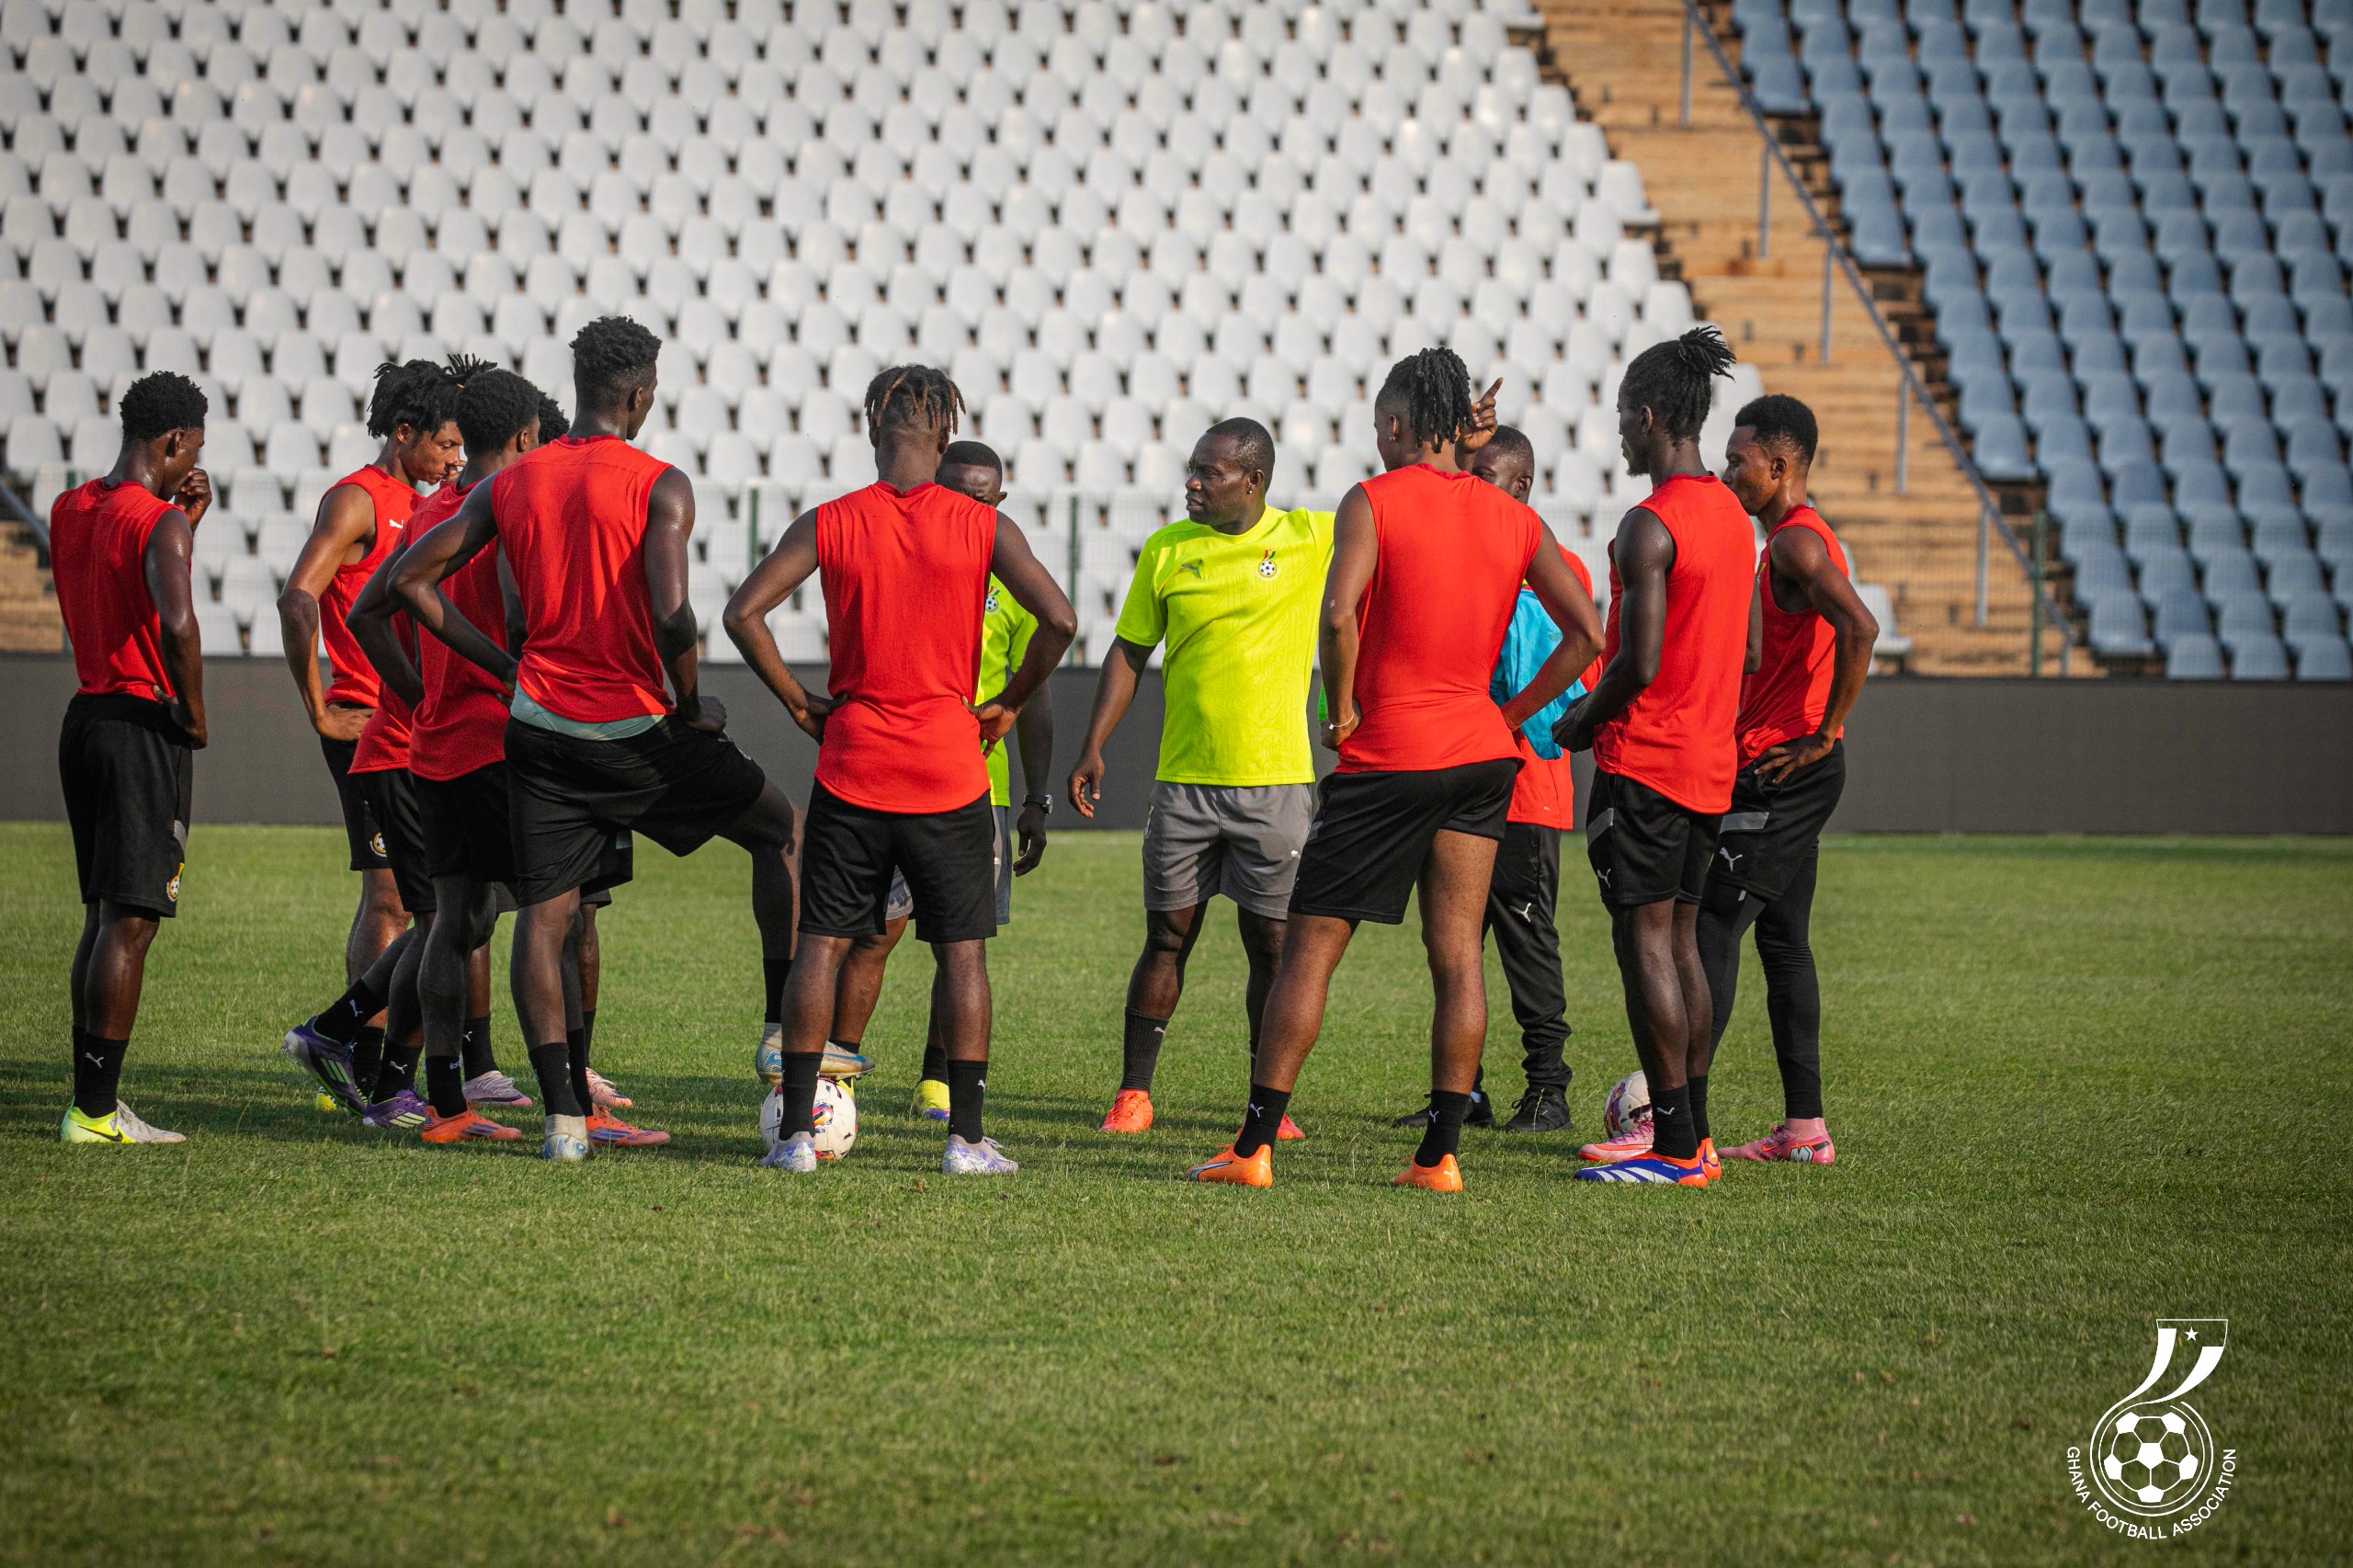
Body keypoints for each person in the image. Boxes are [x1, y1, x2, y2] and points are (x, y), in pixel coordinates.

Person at [1187, 349, 1601, 1192]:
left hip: (1390, 755)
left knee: (1309, 951)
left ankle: (1254, 1147)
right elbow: (1588, 635)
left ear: (1402, 426)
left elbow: (1339, 613)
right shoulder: (1513, 517)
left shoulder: (1373, 499)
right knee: (1457, 958)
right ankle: (1439, 1158)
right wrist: (1511, 718)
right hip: (1481, 759)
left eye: (1382, 426)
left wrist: (1339, 709)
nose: (1377, 441)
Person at [392, 315, 800, 1164]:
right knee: (779, 829)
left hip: (540, 732)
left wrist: (506, 667)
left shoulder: (513, 482)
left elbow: (409, 581)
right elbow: (673, 612)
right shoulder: (661, 483)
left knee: (542, 920)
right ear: (641, 394)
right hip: (640, 731)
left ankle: (564, 1122)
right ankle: (778, 1029)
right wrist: (690, 705)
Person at [723, 365, 1075, 1176]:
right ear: (945, 436)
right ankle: (966, 1140)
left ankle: (796, 1141)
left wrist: (798, 704)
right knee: (962, 954)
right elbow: (1060, 618)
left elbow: (743, 612)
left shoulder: (834, 520)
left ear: (871, 428)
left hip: (853, 764)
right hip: (950, 771)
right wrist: (1009, 704)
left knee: (821, 944)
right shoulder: (982, 525)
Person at [1068, 418, 1331, 1137]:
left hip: (1276, 784)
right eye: (1191, 469)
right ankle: (1134, 1094)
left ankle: (1265, 1106)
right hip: (1184, 784)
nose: (1191, 483)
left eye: (1207, 474)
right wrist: (1094, 745)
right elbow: (1128, 653)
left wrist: (1461, 451)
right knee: (1167, 938)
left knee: (1272, 945)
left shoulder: (1311, 539)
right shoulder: (1166, 550)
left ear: (1252, 481)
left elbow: (1412, 507)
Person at [1552, 326, 1751, 1187]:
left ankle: (1672, 1148)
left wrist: (1581, 724)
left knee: (1646, 945)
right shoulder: (1734, 517)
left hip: (1648, 763)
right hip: (1710, 764)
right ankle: (1694, 1135)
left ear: (1649, 415)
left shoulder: (1652, 525)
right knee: (1680, 943)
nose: (1621, 439)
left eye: (1624, 423)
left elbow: (1638, 660)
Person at [812, 439, 1056, 1122]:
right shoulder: (900, 555)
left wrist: (1036, 797)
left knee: (959, 944)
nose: (967, 505)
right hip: (891, 775)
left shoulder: (1009, 585)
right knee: (876, 934)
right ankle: (841, 1069)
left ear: (998, 502)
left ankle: (937, 1083)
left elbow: (1036, 696)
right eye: (956, 491)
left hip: (980, 788)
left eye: (983, 497)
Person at [1389, 426, 1600, 1136]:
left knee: (1525, 940)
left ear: (1522, 489)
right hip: (1457, 776)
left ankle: (1549, 1090)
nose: (1469, 486)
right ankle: (1461, 1092)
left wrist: (1501, 718)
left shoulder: (1554, 565)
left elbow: (1565, 673)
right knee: (1452, 942)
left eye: (1484, 475)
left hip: (1525, 788)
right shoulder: (1468, 553)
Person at [275, 360, 464, 1105]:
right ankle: (359, 1051)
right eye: (444, 444)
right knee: (394, 901)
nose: (454, 459)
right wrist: (319, 706)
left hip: (403, 721)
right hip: (363, 723)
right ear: (404, 433)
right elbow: (298, 599)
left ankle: (358, 1046)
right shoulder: (358, 501)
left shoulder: (416, 506)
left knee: (401, 899)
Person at [1699, 395, 1877, 1165]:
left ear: (1778, 466)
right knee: (1783, 944)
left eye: (1739, 459)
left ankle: (1679, 1127)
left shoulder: (1801, 548)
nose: (1727, 468)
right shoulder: (1785, 546)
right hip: (1781, 761)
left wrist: (1825, 733)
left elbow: (1861, 628)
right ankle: (1805, 1130)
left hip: (1783, 772)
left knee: (1710, 929)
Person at [50, 371, 210, 1143]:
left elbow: (121, 596)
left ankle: (92, 1100)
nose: (192, 466)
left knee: (102, 914)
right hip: (140, 723)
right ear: (175, 440)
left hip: (84, 715)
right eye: (193, 451)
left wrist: (186, 526)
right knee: (134, 922)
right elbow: (177, 623)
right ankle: (93, 1112)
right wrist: (195, 714)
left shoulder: (70, 506)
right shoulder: (156, 523)